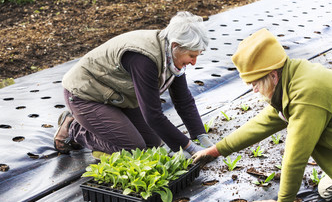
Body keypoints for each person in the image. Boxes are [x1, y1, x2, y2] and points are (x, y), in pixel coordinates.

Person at [192, 28, 332, 202]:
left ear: (273, 75)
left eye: (255, 84)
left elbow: (296, 155)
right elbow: (265, 121)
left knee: (329, 190)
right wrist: (218, 150)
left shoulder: (308, 94)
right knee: (325, 188)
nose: (254, 90)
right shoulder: (294, 75)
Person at [53, 11, 213, 159]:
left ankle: (101, 122)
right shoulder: (144, 59)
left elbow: (183, 100)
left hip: (116, 95)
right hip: (86, 94)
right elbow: (153, 115)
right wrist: (191, 148)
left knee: (153, 143)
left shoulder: (172, 56)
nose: (194, 62)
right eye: (191, 56)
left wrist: (202, 138)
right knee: (133, 149)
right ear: (175, 45)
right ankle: (73, 127)